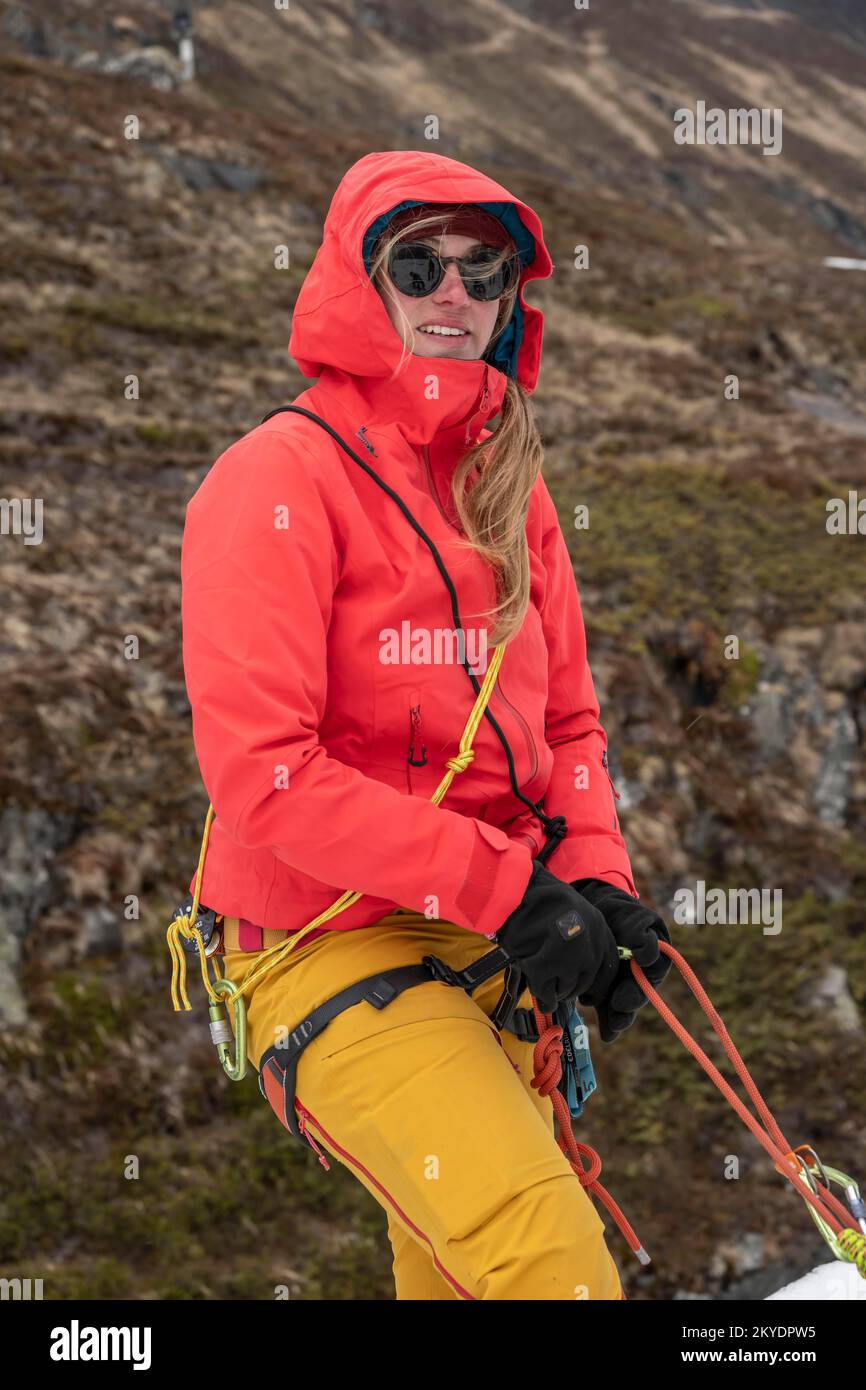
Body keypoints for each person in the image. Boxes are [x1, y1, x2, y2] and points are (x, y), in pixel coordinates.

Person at [180, 148, 671, 1300]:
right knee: (546, 1261)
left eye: (483, 271)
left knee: (458, 1277)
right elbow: (266, 776)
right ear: (362, 283)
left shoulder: (508, 486)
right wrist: (507, 888)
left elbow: (568, 722)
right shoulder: (274, 478)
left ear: (511, 298)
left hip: (479, 938)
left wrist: (595, 879)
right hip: (322, 940)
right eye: (418, 265)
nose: (454, 295)